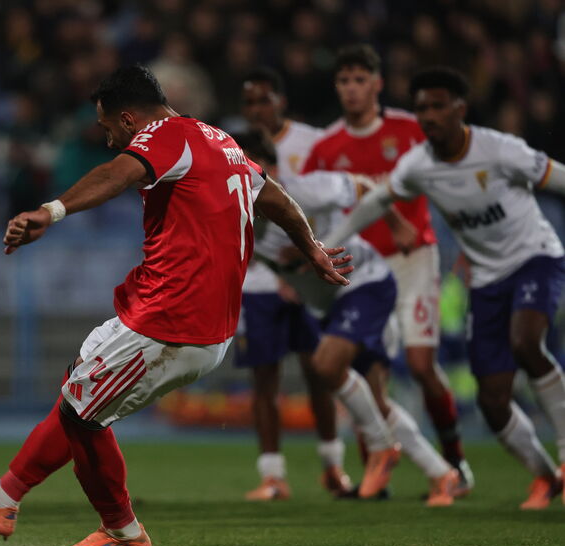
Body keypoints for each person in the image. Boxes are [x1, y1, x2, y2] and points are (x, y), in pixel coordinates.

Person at [0, 65, 353, 546]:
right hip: (177, 315)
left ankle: (122, 533)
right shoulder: (217, 138)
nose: (109, 139)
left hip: (174, 321)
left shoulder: (164, 135)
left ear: (130, 117)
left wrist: (49, 212)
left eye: (107, 126)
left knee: (83, 412)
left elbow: (118, 173)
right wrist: (311, 248)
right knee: (79, 389)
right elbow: (275, 197)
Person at [326, 67, 565, 510]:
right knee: (493, 400)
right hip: (487, 279)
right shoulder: (419, 165)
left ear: (461, 109)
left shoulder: (501, 150)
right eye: (421, 108)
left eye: (438, 106)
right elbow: (376, 202)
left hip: (536, 257)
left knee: (526, 341)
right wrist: (325, 245)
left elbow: (558, 179)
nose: (429, 116)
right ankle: (545, 476)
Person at [242, 129, 459, 506]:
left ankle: (379, 448)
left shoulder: (306, 190)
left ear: (271, 169)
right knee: (375, 401)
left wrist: (393, 223)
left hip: (367, 283)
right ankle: (443, 475)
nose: (241, 177)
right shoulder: (240, 219)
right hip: (331, 305)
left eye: (249, 167)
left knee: (325, 365)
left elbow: (362, 185)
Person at [302, 45, 472, 491]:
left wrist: (467, 244)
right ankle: (380, 475)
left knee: (419, 365)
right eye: (344, 80)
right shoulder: (325, 147)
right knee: (368, 375)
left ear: (377, 84)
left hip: (412, 259)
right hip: (363, 272)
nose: (352, 89)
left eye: (360, 79)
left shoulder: (411, 129)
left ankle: (456, 460)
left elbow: (450, 183)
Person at [236, 68, 351, 500]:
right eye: (249, 104)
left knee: (318, 372)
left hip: (304, 278)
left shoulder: (310, 143)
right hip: (257, 284)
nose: (256, 111)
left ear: (281, 102)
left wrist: (307, 255)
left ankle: (333, 469)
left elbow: (322, 199)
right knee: (264, 379)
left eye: (263, 101)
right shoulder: (230, 146)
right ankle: (273, 476)